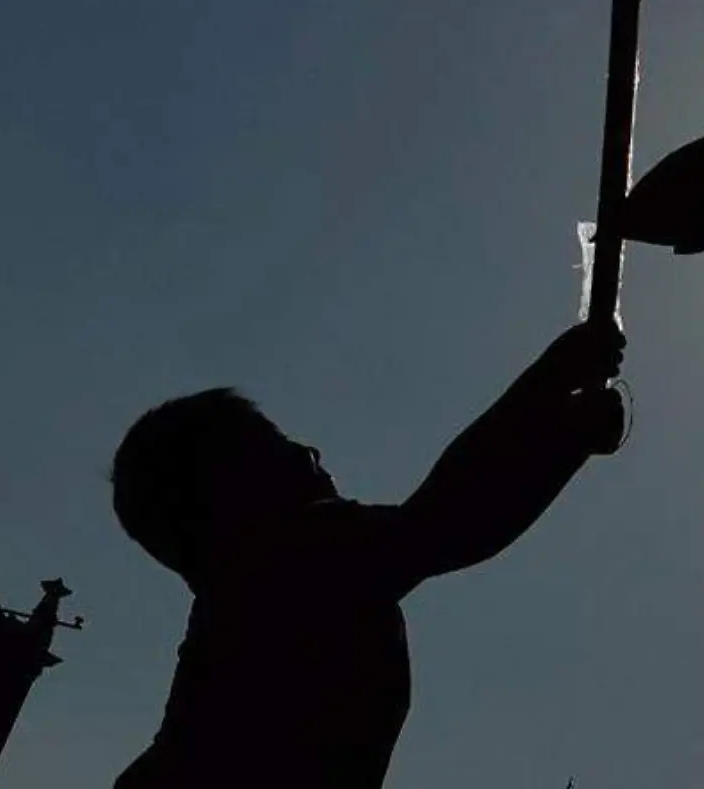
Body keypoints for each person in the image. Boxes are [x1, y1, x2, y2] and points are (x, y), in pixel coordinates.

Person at [110, 320, 626, 789]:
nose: (309, 451)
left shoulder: (243, 598)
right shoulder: (283, 563)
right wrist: (553, 390)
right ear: (231, 490)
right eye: (278, 444)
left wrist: (559, 424)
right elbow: (448, 521)